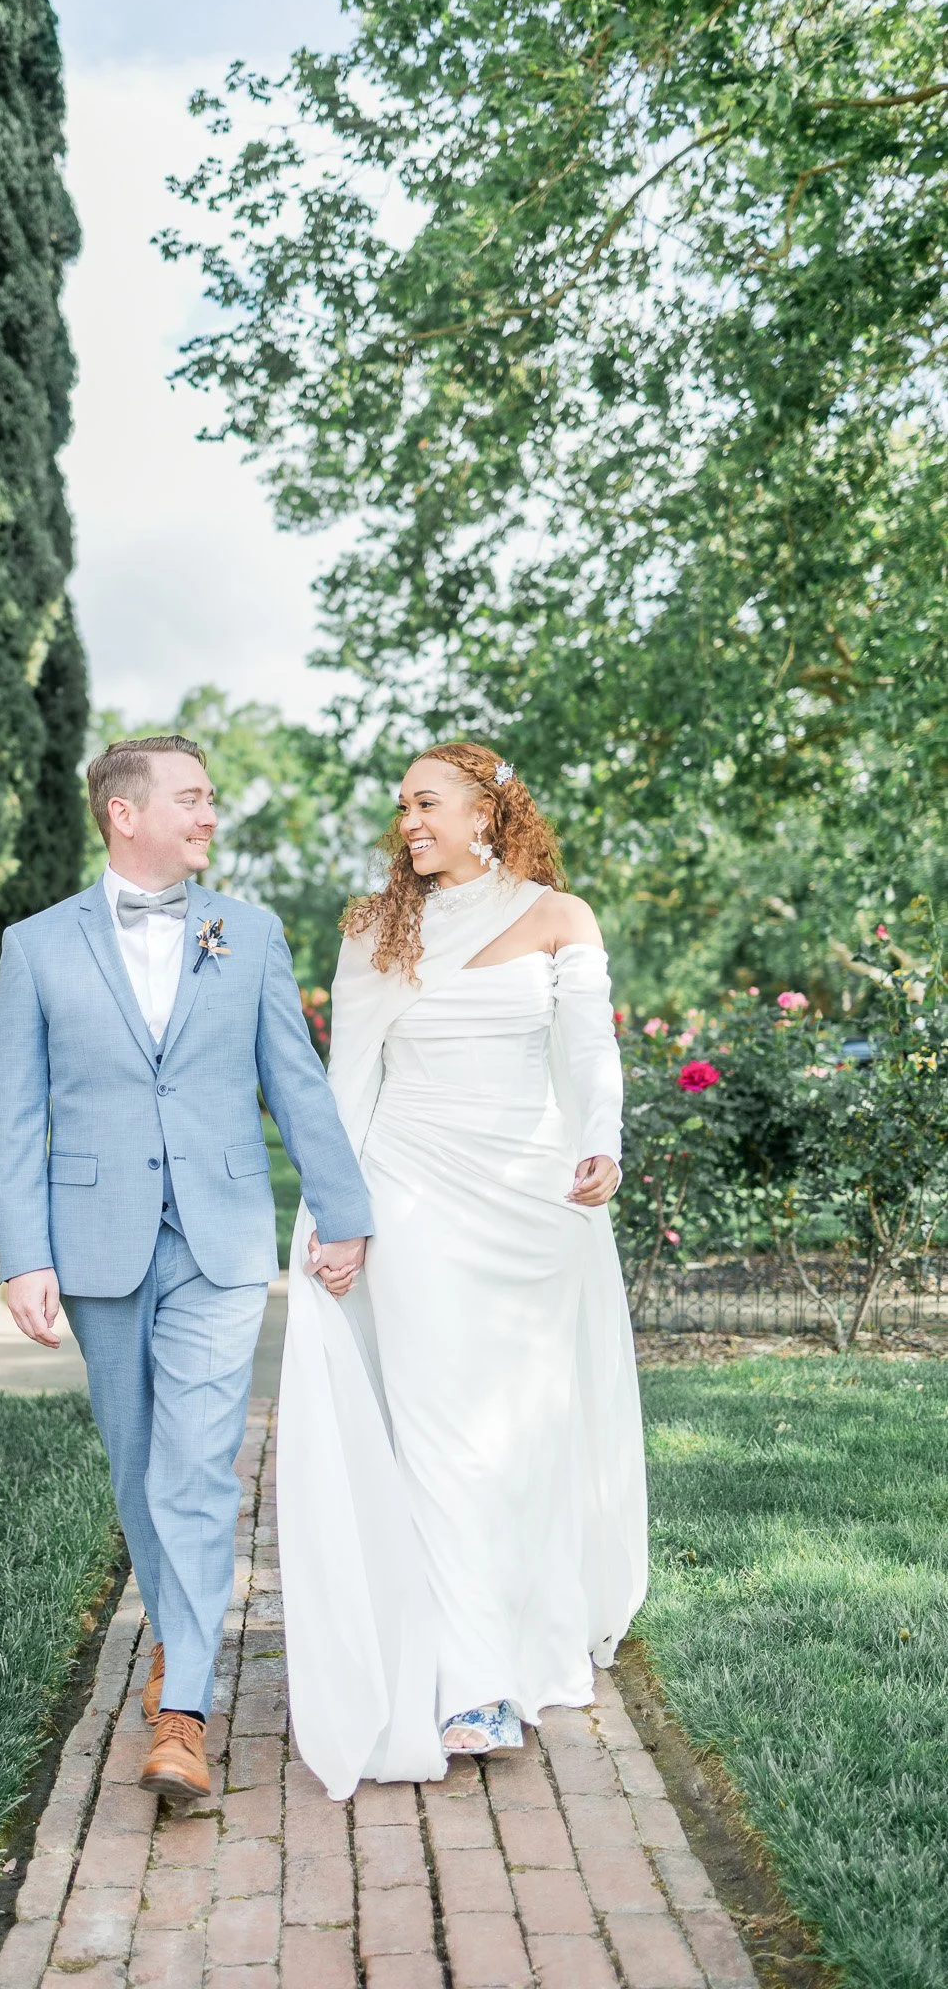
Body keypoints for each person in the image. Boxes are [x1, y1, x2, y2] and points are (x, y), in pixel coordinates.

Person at [0, 734, 372, 1805]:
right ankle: (181, 1647)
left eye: (209, 800)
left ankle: (185, 1708)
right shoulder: (36, 945)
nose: (210, 816)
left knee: (197, 1465)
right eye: (193, 798)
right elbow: (14, 1113)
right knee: (138, 1469)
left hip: (220, 1236)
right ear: (126, 812)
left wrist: (341, 1208)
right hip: (98, 1240)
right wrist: (26, 1253)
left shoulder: (245, 932)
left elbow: (292, 1076)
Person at [277, 741, 648, 1798]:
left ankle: (525, 1634)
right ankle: (470, 1679)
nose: (408, 821)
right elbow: (348, 1083)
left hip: (531, 1201)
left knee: (520, 1431)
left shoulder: (558, 918)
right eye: (401, 805)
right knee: (439, 1426)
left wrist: (603, 1138)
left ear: (488, 810)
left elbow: (588, 1053)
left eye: (426, 801)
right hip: (412, 1192)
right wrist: (335, 1215)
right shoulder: (372, 927)